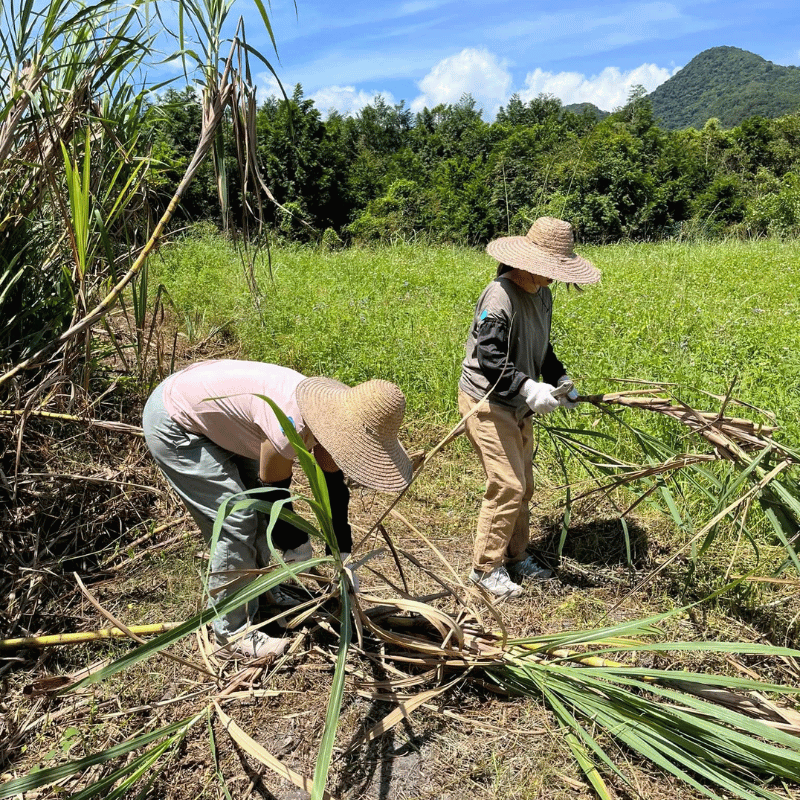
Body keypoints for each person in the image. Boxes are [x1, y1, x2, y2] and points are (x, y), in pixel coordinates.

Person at [143, 360, 413, 659]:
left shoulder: (336, 414)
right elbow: (273, 497)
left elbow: (333, 489)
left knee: (256, 513)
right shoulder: (289, 425)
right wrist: (296, 542)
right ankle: (230, 634)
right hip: (176, 421)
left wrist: (343, 554)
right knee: (238, 520)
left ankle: (262, 595)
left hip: (216, 417)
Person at [458, 217, 600, 598]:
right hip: (488, 401)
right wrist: (527, 387)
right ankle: (484, 569)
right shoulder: (499, 296)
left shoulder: (542, 295)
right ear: (528, 262)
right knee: (507, 484)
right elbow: (490, 357)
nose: (553, 277)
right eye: (549, 267)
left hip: (519, 404)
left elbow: (542, 346)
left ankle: (516, 556)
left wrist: (558, 378)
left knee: (525, 485)